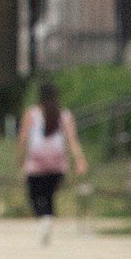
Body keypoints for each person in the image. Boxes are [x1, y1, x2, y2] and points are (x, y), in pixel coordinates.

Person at [19, 79, 88, 245]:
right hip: (57, 162)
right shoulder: (65, 115)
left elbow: (23, 138)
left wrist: (20, 158)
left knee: (34, 194)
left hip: (36, 161)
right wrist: (80, 160)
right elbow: (72, 140)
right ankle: (48, 219)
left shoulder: (32, 113)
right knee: (49, 195)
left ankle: (43, 218)